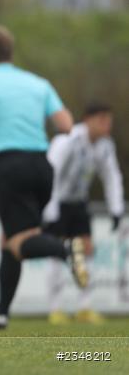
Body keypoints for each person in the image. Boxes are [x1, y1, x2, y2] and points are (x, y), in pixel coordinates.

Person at [0, 25, 88, 331]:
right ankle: (1, 313)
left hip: (10, 166)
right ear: (10, 53)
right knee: (10, 239)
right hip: (43, 168)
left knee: (19, 242)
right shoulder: (37, 83)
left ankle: (65, 250)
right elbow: (68, 125)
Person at [44, 102, 124, 325]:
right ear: (87, 120)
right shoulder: (68, 139)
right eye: (102, 120)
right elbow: (51, 172)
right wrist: (49, 208)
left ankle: (84, 306)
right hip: (57, 202)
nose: (107, 125)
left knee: (87, 251)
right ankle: (55, 308)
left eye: (109, 120)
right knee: (58, 252)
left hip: (79, 204)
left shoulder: (106, 145)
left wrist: (116, 208)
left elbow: (111, 176)